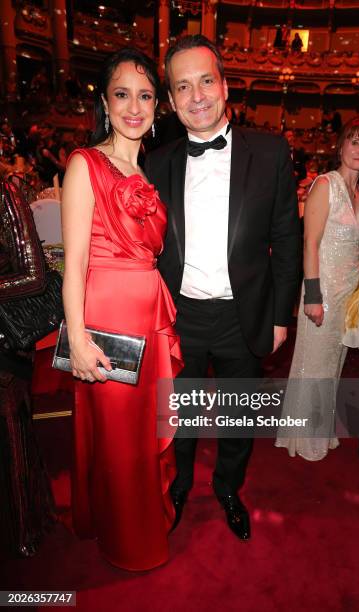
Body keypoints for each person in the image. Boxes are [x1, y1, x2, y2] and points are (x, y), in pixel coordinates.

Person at [145, 35, 301, 540]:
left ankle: (229, 488)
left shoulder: (271, 151)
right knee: (181, 417)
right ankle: (179, 487)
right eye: (183, 87)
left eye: (205, 81)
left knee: (239, 416)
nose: (197, 96)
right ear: (171, 101)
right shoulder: (158, 162)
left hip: (245, 314)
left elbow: (286, 239)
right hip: (179, 314)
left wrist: (281, 318)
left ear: (225, 85)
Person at [61, 48, 183, 571]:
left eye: (146, 95)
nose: (134, 106)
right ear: (105, 103)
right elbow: (74, 266)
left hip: (151, 319)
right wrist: (80, 340)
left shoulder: (149, 170)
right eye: (122, 94)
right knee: (116, 441)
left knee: (143, 437)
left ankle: (142, 525)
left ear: (158, 105)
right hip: (106, 320)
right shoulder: (83, 164)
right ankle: (125, 540)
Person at [275, 116, 359, 461]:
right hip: (323, 291)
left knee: (334, 365)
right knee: (314, 365)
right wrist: (314, 296)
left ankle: (319, 430)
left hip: (349, 295)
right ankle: (305, 438)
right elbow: (310, 242)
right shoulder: (326, 184)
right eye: (356, 141)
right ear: (341, 145)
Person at [0, 176, 55, 559]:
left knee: (10, 442)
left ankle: (23, 530)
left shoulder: (4, 192)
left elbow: (35, 277)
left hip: (4, 343)